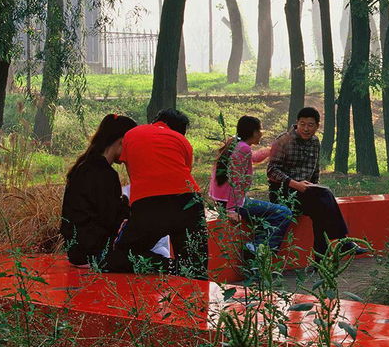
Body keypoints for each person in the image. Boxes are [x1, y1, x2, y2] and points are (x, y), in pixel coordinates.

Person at [110, 108, 207, 277]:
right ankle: (190, 288)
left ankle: (169, 266)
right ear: (178, 131)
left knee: (121, 255)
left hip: (149, 204)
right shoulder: (182, 141)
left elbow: (127, 164)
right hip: (188, 201)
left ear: (157, 120)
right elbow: (184, 172)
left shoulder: (133, 134)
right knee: (195, 267)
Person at [267, 107, 361, 258]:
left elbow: (315, 171)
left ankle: (320, 260)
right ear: (296, 123)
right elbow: (271, 171)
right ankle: (343, 241)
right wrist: (295, 184)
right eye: (302, 124)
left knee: (321, 210)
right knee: (325, 195)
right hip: (283, 193)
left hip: (306, 193)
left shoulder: (315, 142)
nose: (305, 128)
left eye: (310, 125)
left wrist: (313, 187)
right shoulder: (283, 141)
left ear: (317, 126)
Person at [59, 113, 137, 268]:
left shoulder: (84, 166)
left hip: (76, 251)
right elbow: (112, 219)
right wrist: (128, 205)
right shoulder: (104, 174)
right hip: (94, 252)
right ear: (122, 142)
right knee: (153, 260)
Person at [209, 115, 295, 254]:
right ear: (254, 132)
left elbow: (253, 157)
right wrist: (231, 210)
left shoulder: (235, 143)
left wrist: (271, 149)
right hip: (232, 203)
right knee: (283, 213)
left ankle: (257, 247)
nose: (262, 133)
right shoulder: (242, 149)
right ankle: (258, 248)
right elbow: (236, 181)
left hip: (222, 200)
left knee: (267, 214)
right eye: (260, 130)